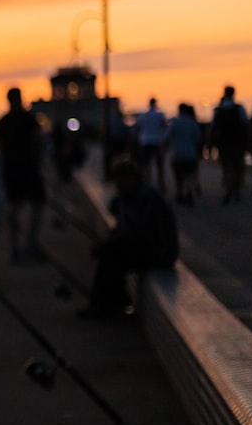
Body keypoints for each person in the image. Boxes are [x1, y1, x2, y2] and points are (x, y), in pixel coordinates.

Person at [79, 158, 178, 318]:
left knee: (112, 256)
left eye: (121, 178)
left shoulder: (145, 197)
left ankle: (107, 305)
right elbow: (124, 228)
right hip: (149, 246)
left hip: (160, 253)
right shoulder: (130, 195)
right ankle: (111, 303)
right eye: (116, 178)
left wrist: (108, 245)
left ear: (133, 177)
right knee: (110, 254)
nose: (117, 183)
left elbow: (135, 232)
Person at [0, 87, 46, 262]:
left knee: (14, 208)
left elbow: (0, 148)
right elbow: (38, 141)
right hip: (29, 169)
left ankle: (15, 249)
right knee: (37, 205)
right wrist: (37, 164)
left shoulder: (2, 122)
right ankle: (30, 243)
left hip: (11, 170)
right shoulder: (29, 119)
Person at [210, 85, 249, 204]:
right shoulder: (239, 108)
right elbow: (246, 124)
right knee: (238, 167)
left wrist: (212, 143)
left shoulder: (219, 109)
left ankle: (228, 189)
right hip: (238, 142)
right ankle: (236, 189)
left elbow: (213, 127)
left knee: (227, 167)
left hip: (224, 143)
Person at [166, 103, 202, 206]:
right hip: (190, 153)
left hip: (178, 153)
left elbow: (167, 137)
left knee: (179, 176)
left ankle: (179, 192)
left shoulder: (174, 122)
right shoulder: (192, 123)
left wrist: (164, 148)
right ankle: (189, 191)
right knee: (189, 174)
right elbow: (198, 138)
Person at [133, 97, 167, 191]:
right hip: (157, 141)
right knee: (159, 165)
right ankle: (161, 184)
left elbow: (136, 128)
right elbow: (165, 127)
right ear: (156, 103)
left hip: (145, 141)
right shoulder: (160, 115)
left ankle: (147, 184)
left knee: (146, 164)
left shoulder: (143, 115)